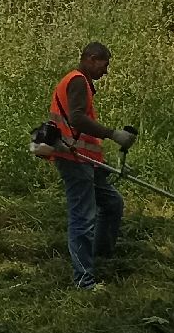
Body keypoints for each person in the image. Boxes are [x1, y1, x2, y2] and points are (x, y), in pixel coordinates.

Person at [45, 42, 137, 290]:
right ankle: (84, 281)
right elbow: (76, 119)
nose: (105, 72)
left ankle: (100, 256)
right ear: (92, 58)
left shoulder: (79, 81)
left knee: (112, 203)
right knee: (82, 218)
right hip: (73, 159)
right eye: (104, 65)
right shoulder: (77, 80)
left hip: (85, 159)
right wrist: (112, 134)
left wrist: (103, 164)